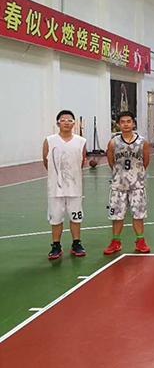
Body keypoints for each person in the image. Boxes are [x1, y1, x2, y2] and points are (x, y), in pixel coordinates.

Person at [103, 111, 151, 255]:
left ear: (133, 123)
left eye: (128, 121)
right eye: (122, 122)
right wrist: (121, 175)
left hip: (137, 185)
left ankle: (140, 241)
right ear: (118, 125)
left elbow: (146, 161)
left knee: (138, 214)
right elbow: (111, 162)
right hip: (118, 184)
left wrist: (135, 175)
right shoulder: (113, 142)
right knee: (117, 215)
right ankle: (115, 241)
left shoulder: (142, 142)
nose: (126, 124)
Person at [42, 110, 87, 259]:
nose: (66, 123)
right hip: (55, 188)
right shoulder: (49, 141)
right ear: (57, 124)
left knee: (76, 216)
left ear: (74, 123)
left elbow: (82, 163)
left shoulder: (81, 141)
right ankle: (56, 245)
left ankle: (76, 243)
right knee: (56, 218)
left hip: (75, 187)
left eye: (69, 120)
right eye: (63, 120)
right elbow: (46, 162)